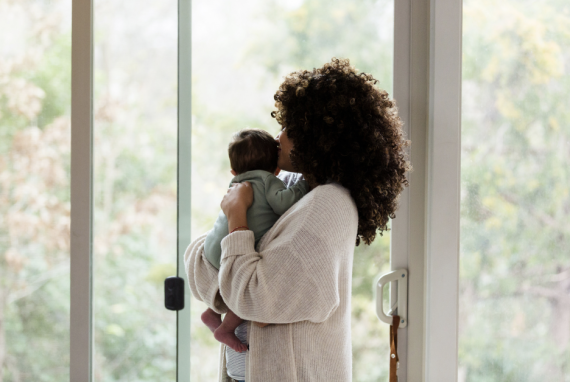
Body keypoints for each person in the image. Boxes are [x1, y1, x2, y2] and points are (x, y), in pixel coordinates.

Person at [185, 58, 411, 382]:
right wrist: (239, 289)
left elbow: (250, 295)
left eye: (290, 127)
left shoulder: (327, 206)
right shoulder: (292, 192)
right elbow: (201, 266)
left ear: (319, 137)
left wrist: (236, 219)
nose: (279, 136)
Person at [201, 128, 309, 353]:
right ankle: (226, 329)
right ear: (276, 169)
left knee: (228, 282)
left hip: (212, 246)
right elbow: (282, 203)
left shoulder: (236, 183)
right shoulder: (268, 179)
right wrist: (304, 185)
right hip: (235, 247)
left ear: (233, 170)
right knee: (245, 292)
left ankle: (212, 312)